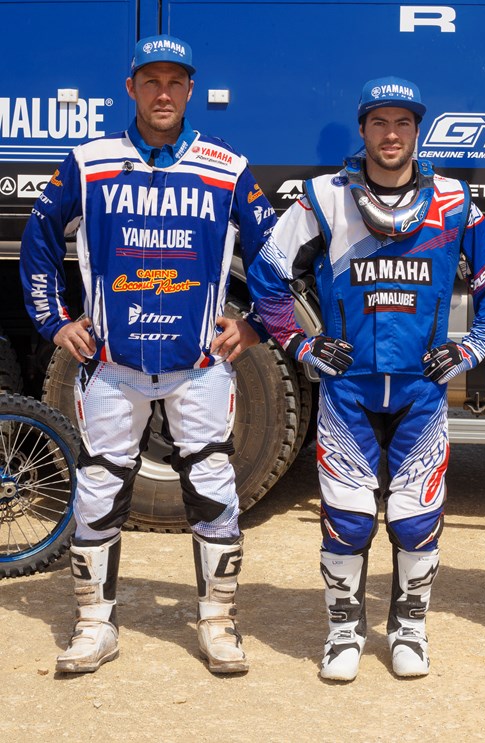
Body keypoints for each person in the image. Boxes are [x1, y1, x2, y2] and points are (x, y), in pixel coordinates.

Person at [246, 77, 485, 681]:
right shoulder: (324, 198)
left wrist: (472, 347)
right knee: (346, 519)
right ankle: (344, 630)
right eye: (379, 122)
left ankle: (409, 629)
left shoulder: (452, 201)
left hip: (422, 392)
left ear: (417, 131)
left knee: (416, 520)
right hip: (349, 392)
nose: (390, 134)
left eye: (402, 123)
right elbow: (267, 271)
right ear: (363, 129)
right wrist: (298, 342)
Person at [20, 34, 278, 675]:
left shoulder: (227, 167)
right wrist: (54, 321)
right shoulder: (89, 162)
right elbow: (39, 237)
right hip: (113, 366)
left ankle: (218, 624)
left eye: (175, 82)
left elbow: (277, 253)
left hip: (199, 368)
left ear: (190, 91)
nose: (163, 93)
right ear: (131, 88)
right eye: (151, 81)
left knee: (214, 491)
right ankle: (93, 625)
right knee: (98, 490)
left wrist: (257, 326)